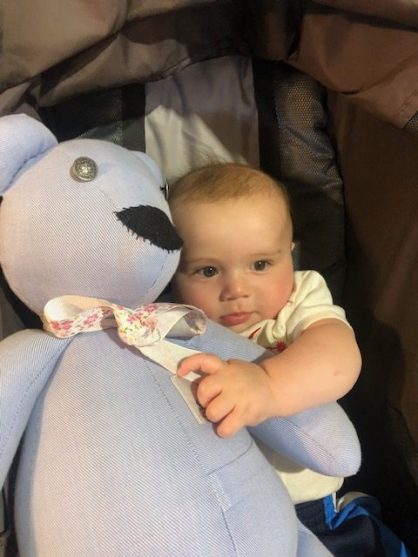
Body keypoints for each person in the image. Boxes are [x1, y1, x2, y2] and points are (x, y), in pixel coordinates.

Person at [168, 162, 412, 557]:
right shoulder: (174, 326)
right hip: (217, 518)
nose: (236, 289)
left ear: (290, 257)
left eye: (260, 265)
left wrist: (268, 384)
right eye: (207, 270)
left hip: (309, 511)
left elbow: (336, 360)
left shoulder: (297, 303)